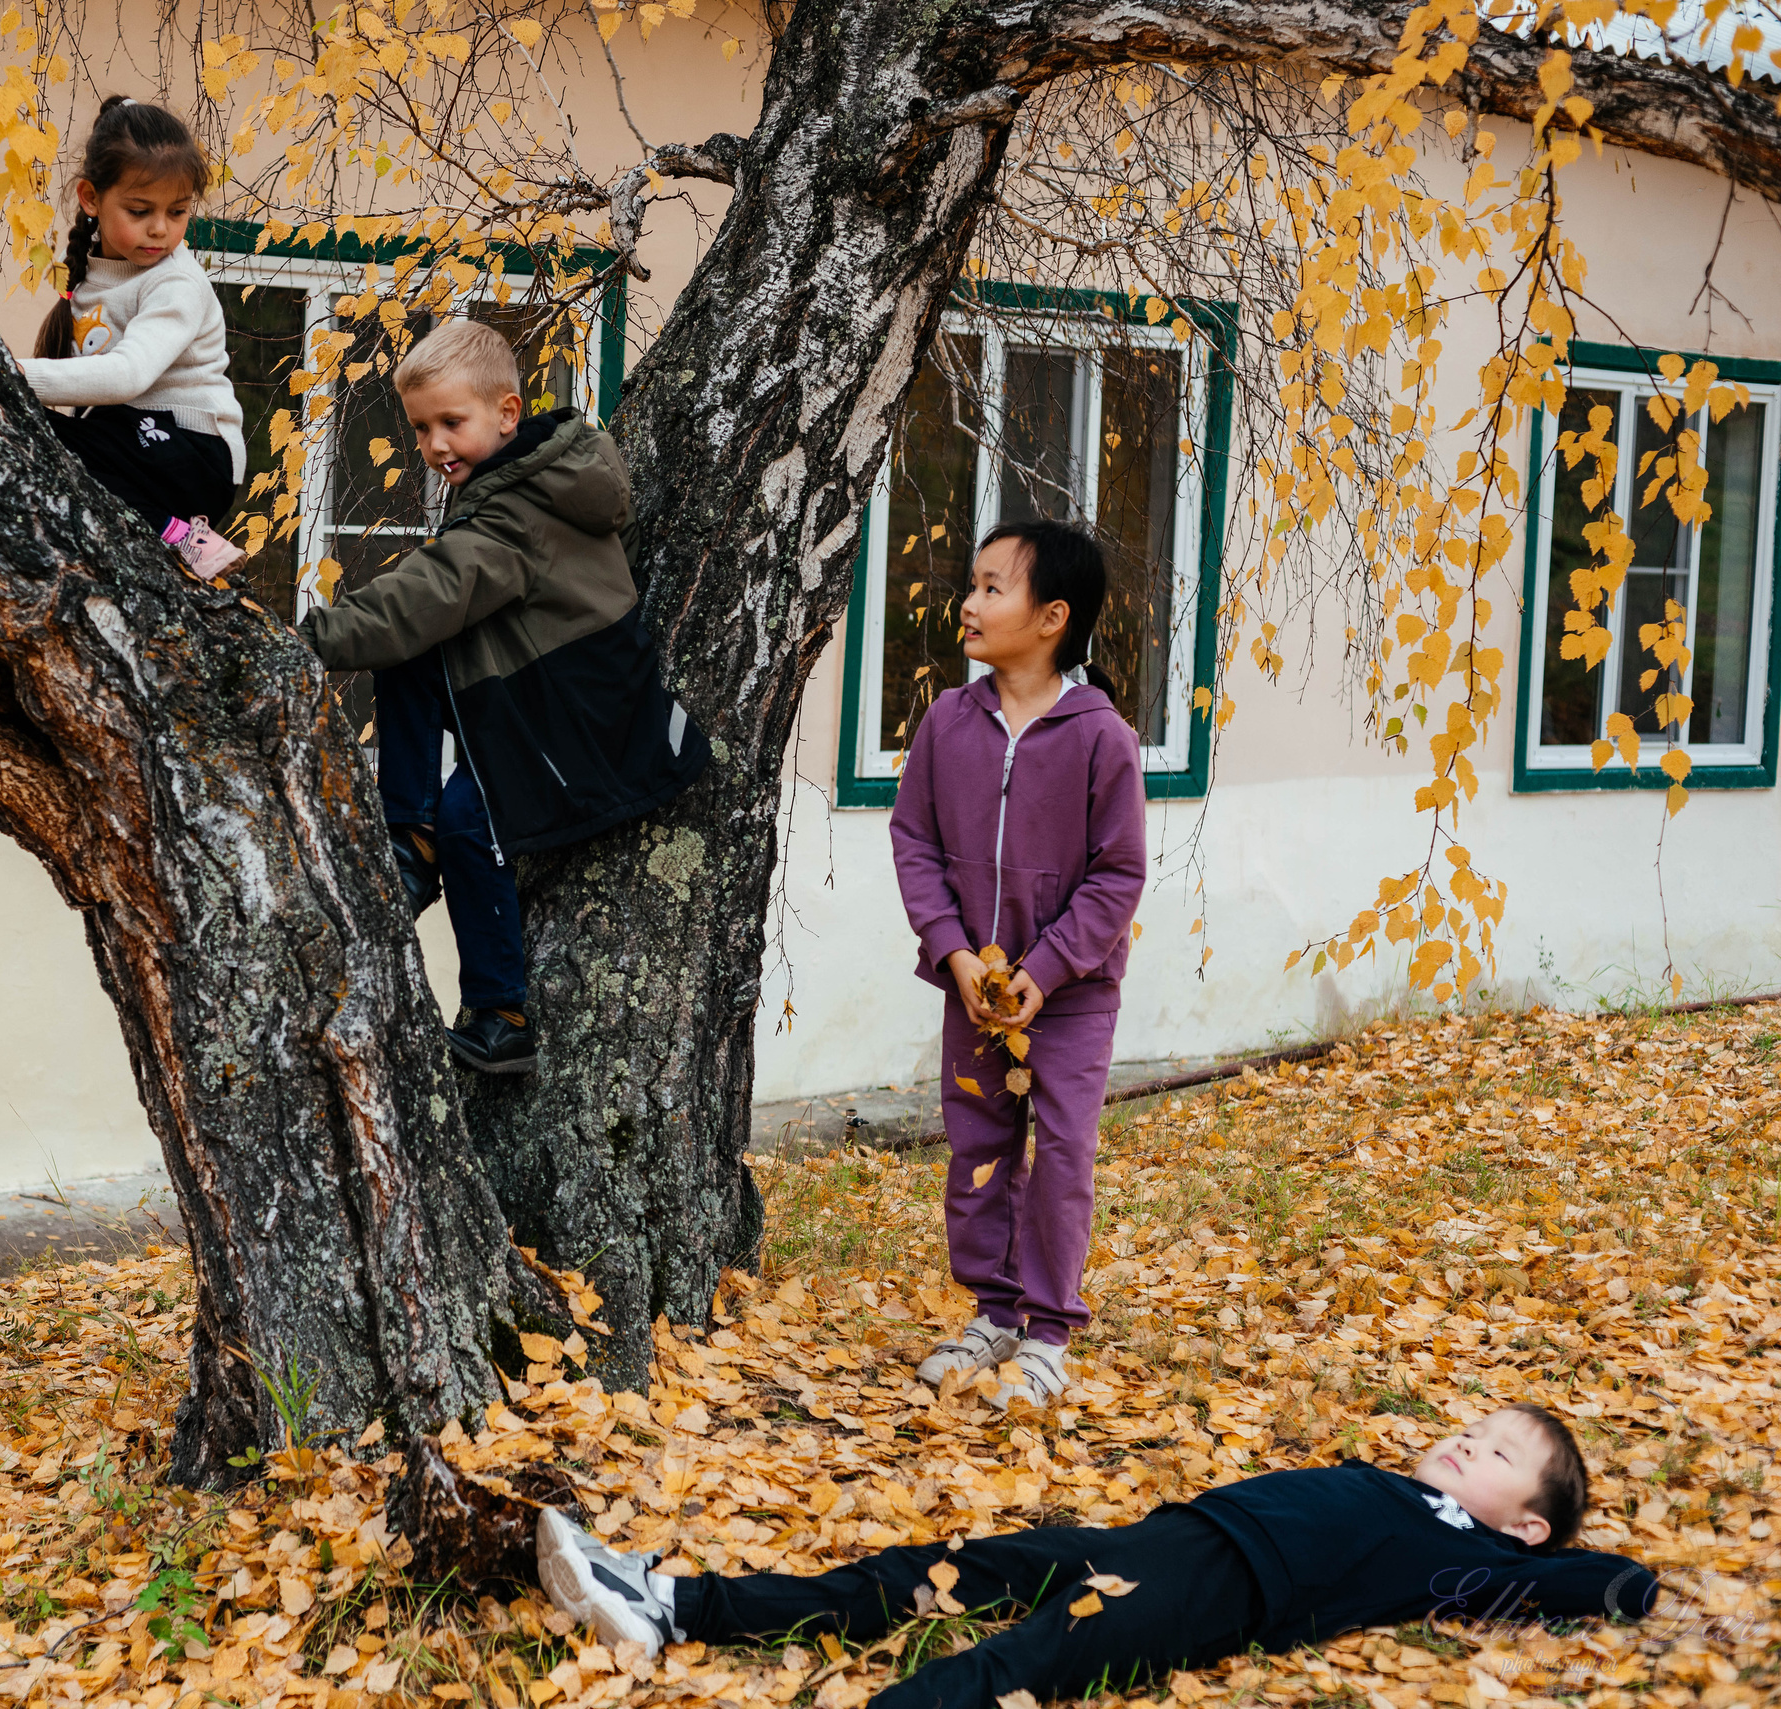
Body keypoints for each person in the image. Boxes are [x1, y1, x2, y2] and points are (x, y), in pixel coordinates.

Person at [537, 1404, 1658, 1709]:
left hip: (1217, 1588)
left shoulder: (1457, 1553)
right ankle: (675, 1601)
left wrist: (1575, 1566)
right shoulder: (1396, 1485)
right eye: (1476, 1424)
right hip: (1162, 1535)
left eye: (1499, 1451)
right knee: (940, 1566)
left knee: (1014, 1663)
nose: (1468, 1439)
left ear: (1524, 1523)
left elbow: (1607, 1584)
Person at [297, 318, 709, 1074]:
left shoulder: (516, 508)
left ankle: (500, 1012)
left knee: (468, 817)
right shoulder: (529, 479)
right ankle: (409, 834)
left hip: (580, 723)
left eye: (451, 423)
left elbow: (428, 594)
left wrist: (306, 642)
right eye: (420, 429)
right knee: (412, 653)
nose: (433, 445)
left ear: (508, 413)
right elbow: (431, 604)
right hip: (551, 697)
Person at [887, 519, 1148, 1410]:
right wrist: (954, 954)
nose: (969, 601)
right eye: (973, 583)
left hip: (1070, 998)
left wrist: (1051, 966)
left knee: (1063, 1153)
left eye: (994, 587)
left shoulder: (1099, 735)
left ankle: (1046, 1334)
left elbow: (1119, 872)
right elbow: (914, 840)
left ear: (1052, 617)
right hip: (974, 993)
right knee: (979, 1150)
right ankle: (993, 1312)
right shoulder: (948, 722)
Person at [19, 96, 244, 580]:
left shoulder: (176, 283)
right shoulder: (92, 274)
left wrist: (15, 375)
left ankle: (181, 537)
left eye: (178, 212)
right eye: (140, 210)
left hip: (196, 452)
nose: (160, 229)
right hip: (136, 441)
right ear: (90, 198)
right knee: (40, 434)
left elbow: (127, 374)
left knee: (52, 439)